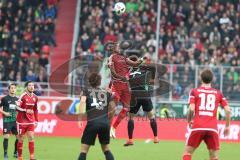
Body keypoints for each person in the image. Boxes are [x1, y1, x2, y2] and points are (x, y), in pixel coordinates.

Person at [182, 69, 231, 160]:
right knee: (214, 157)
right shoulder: (218, 93)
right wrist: (227, 126)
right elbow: (228, 110)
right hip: (212, 128)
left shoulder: (194, 91)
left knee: (187, 153)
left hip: (198, 126)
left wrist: (189, 120)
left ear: (201, 78)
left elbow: (191, 109)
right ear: (212, 79)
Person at [107, 42, 143, 138]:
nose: (119, 48)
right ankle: (107, 129)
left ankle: (113, 128)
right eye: (118, 46)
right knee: (112, 108)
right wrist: (119, 77)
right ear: (114, 48)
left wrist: (142, 59)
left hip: (126, 86)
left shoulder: (123, 57)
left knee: (126, 108)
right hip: (117, 85)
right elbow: (112, 71)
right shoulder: (112, 57)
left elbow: (135, 64)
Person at [78, 72, 116, 160]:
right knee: (106, 149)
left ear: (89, 81)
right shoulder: (107, 93)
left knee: (84, 150)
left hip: (92, 124)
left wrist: (80, 119)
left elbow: (82, 102)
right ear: (100, 82)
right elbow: (113, 109)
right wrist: (109, 123)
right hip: (105, 124)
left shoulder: (86, 91)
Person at [124, 56, 159, 146]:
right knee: (151, 116)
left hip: (134, 95)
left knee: (131, 118)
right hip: (144, 94)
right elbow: (153, 67)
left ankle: (130, 140)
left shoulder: (128, 72)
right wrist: (152, 78)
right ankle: (156, 137)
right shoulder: (144, 69)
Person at [16, 81, 38, 160]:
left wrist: (37, 120)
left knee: (31, 137)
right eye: (30, 85)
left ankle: (32, 157)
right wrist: (25, 110)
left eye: (33, 85)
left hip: (31, 121)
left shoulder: (35, 97)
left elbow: (35, 109)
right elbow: (17, 107)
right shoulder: (22, 96)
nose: (32, 86)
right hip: (21, 121)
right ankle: (20, 157)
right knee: (21, 139)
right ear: (26, 87)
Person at [0, 84, 19, 159]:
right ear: (9, 89)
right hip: (7, 120)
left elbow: (18, 109)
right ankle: (5, 154)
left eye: (14, 88)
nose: (13, 89)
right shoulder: (4, 99)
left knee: (18, 137)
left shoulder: (17, 99)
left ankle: (15, 152)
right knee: (6, 137)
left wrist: (17, 116)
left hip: (14, 121)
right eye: (11, 88)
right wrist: (5, 113)